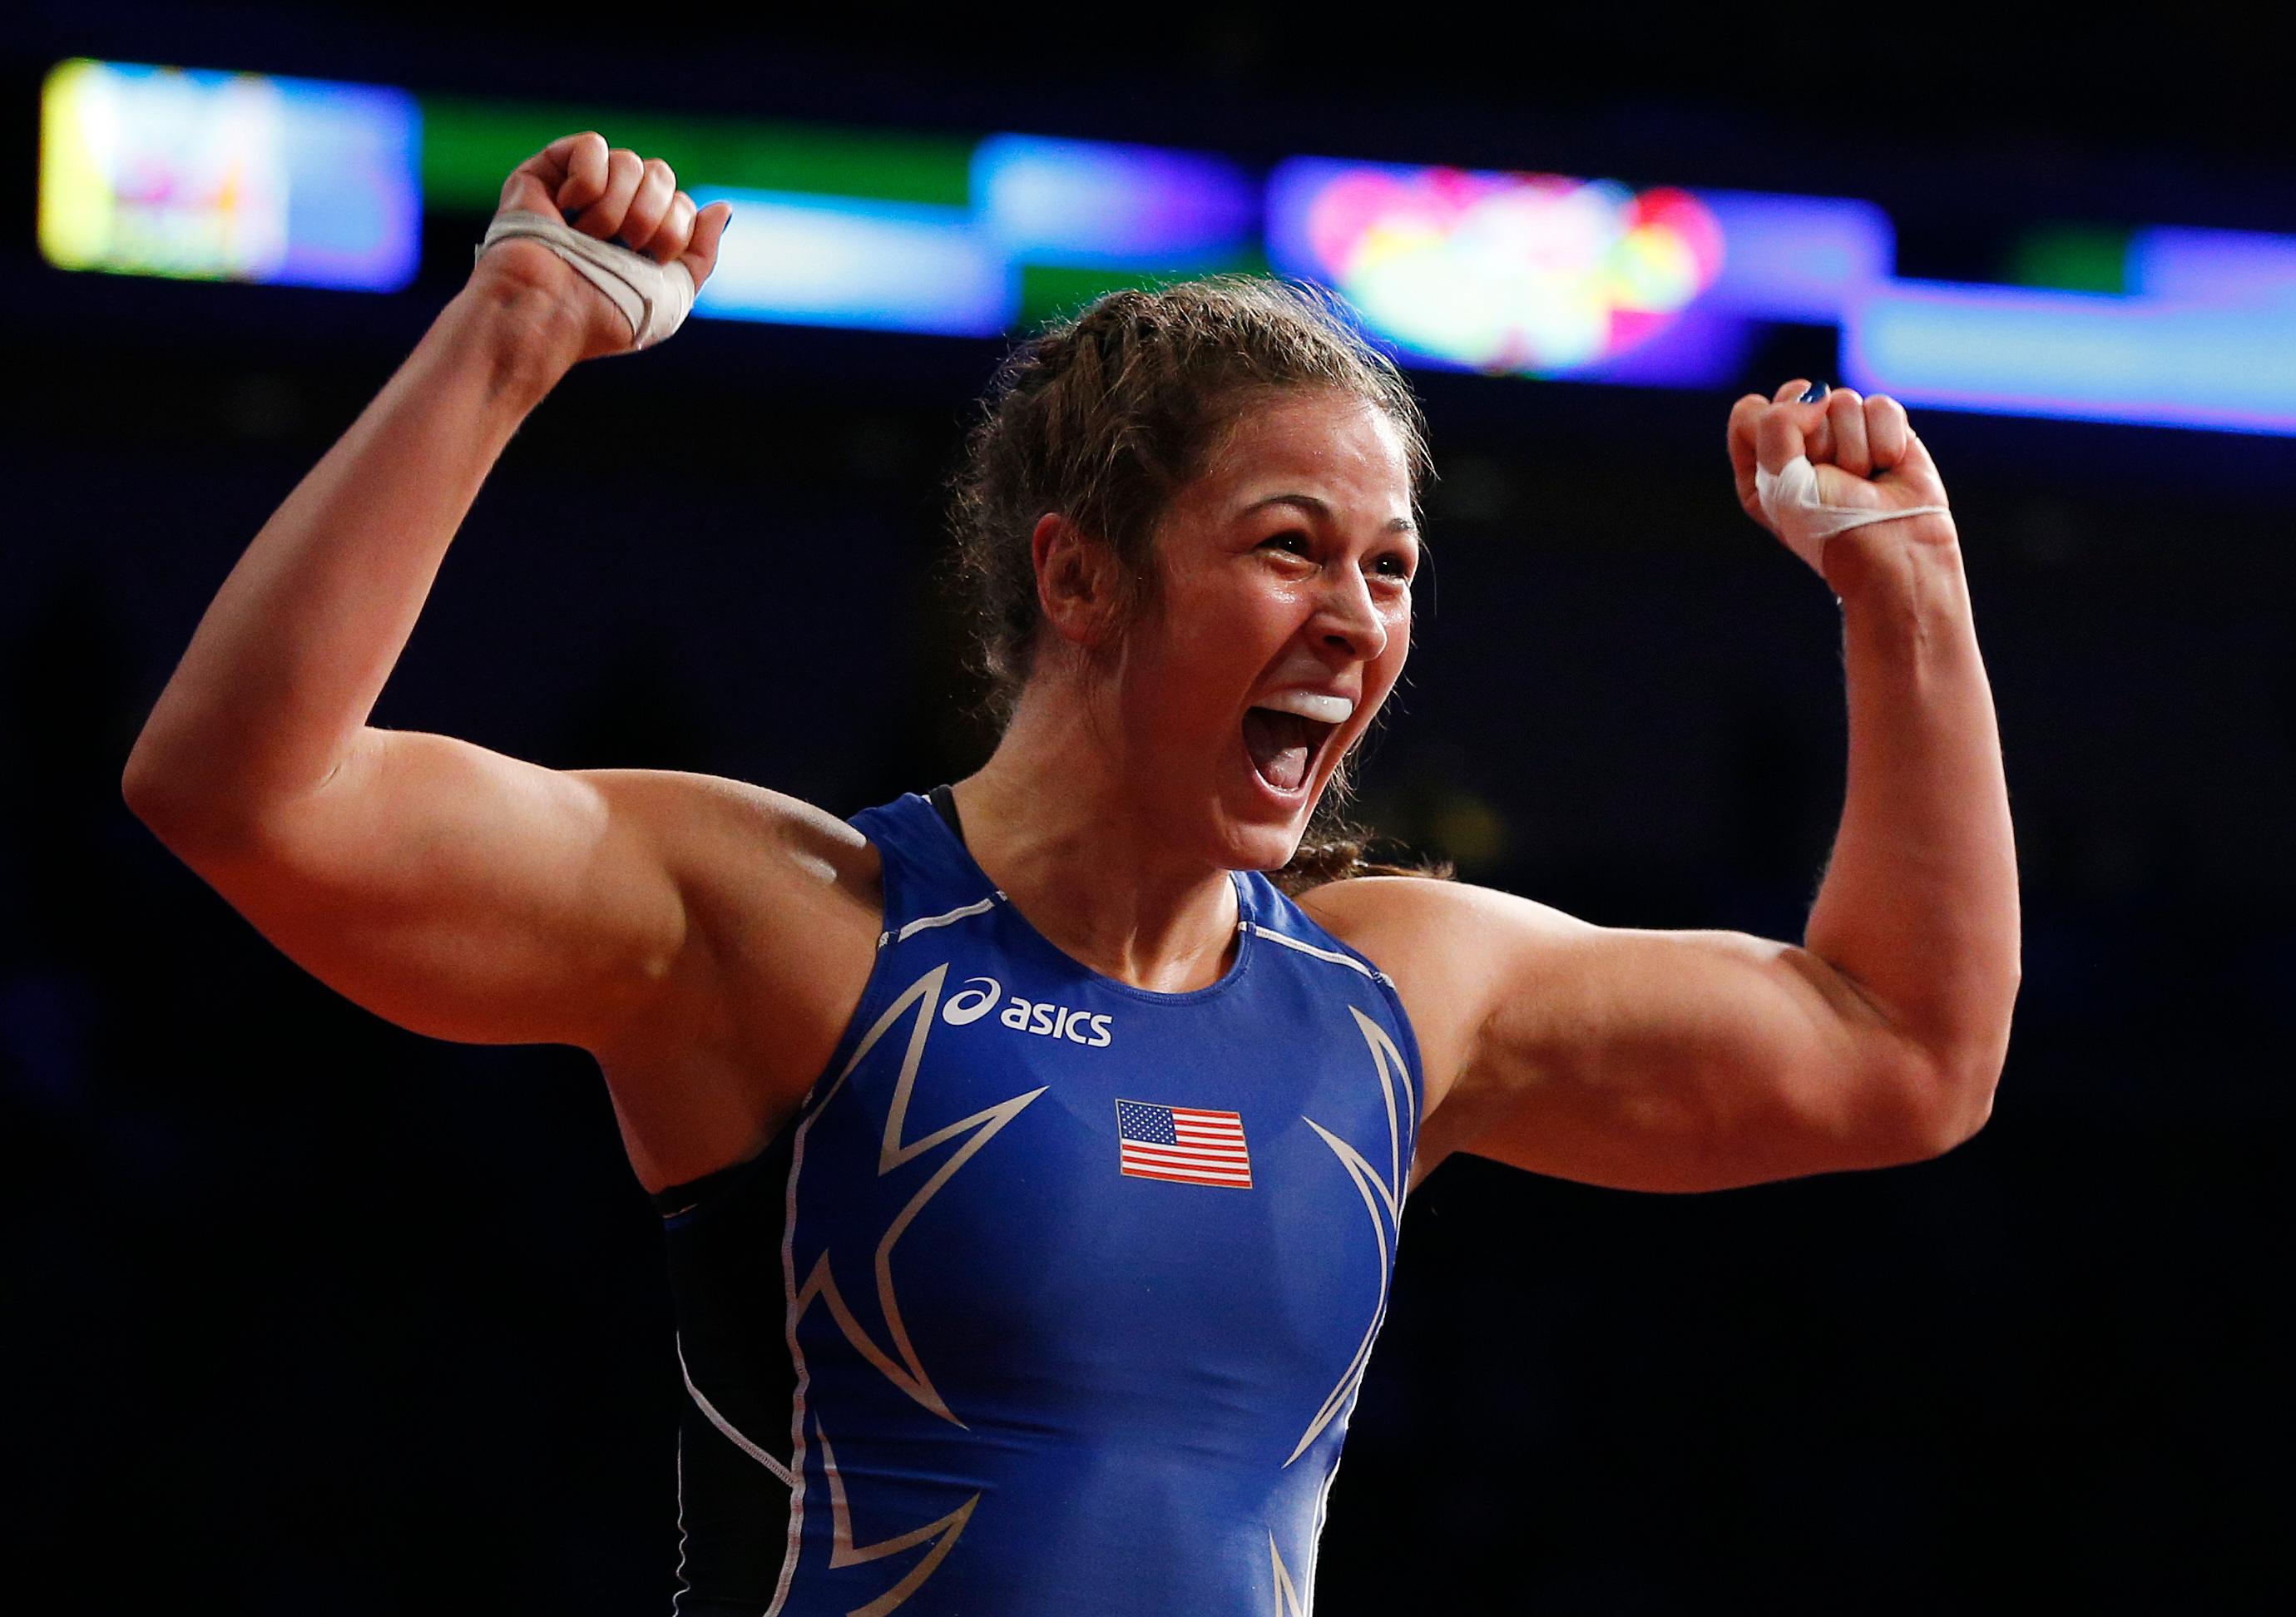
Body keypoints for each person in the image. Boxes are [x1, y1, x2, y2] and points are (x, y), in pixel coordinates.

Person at [121, 132, 2021, 1615]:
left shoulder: (1401, 999)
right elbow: (246, 791)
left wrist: (1909, 601)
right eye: (1294, 547)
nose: (1358, 621)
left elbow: (1903, 1052)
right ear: (1081, 577)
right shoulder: (787, 928)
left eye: (1394, 570)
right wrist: (512, 334)